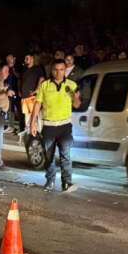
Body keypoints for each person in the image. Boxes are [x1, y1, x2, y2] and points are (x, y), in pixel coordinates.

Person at [31, 55, 82, 192]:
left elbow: (77, 105)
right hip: (49, 126)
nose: (59, 72)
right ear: (52, 70)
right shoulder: (45, 86)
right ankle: (50, 180)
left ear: (65, 70)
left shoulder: (71, 85)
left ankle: (67, 182)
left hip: (65, 127)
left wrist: (75, 96)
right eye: (56, 69)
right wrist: (33, 123)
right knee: (49, 156)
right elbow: (37, 104)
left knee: (66, 156)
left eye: (61, 69)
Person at [18, 53, 44, 134]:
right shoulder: (24, 69)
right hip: (24, 96)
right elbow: (21, 80)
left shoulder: (37, 68)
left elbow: (42, 78)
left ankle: (38, 131)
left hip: (32, 96)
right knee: (27, 114)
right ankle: (28, 130)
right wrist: (19, 91)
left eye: (27, 58)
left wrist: (37, 89)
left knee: (35, 114)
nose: (25, 60)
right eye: (25, 58)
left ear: (32, 58)